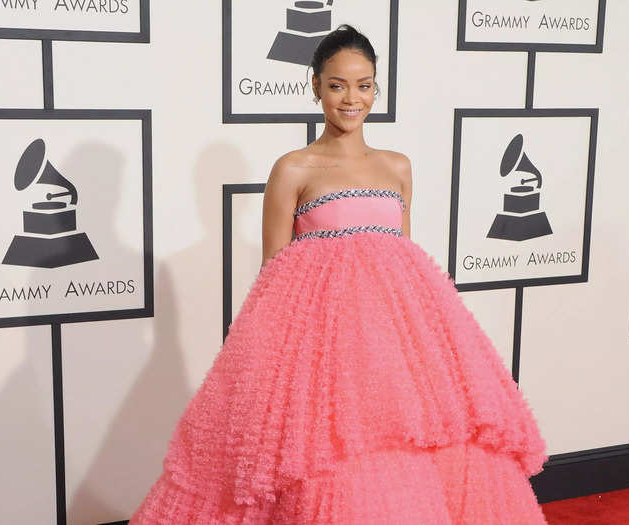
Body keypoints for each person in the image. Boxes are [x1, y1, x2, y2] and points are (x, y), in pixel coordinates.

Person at [129, 23, 549, 524]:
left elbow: (403, 263)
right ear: (315, 86)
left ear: (376, 88)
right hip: (325, 355)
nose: (352, 98)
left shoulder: (398, 167)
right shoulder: (294, 169)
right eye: (338, 85)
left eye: (364, 84)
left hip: (395, 346)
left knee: (417, 443)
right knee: (334, 459)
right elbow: (274, 272)